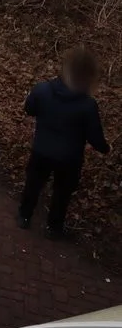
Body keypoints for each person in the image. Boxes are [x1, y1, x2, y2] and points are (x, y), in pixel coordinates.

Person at [17, 48, 110, 239]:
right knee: (62, 193)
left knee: (33, 184)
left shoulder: (43, 90)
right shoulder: (87, 105)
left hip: (41, 150)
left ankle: (24, 215)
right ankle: (54, 227)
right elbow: (95, 138)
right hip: (69, 158)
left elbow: (29, 109)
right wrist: (106, 148)